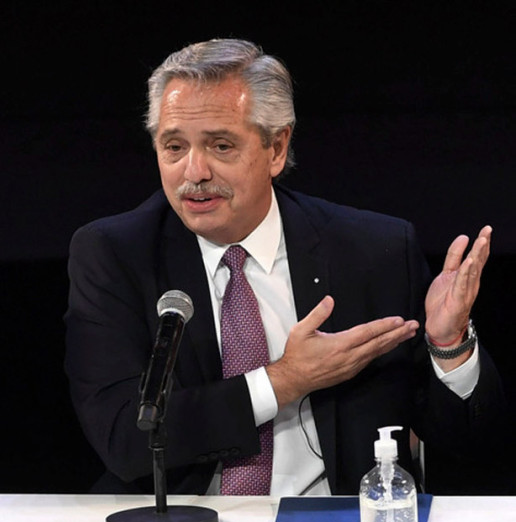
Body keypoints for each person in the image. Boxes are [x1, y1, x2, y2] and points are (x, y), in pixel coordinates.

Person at [64, 39, 504, 496]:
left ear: (276, 148)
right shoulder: (116, 254)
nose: (194, 171)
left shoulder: (372, 253)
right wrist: (284, 381)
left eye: (220, 145)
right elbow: (124, 438)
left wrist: (449, 345)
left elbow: (470, 445)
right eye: (174, 146)